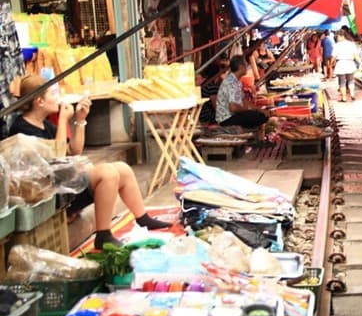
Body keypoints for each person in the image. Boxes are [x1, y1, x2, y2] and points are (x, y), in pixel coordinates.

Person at [10, 74, 172, 249]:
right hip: (50, 193)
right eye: (53, 94)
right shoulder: (22, 128)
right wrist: (64, 120)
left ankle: (143, 219)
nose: (58, 98)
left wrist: (80, 119)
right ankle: (103, 235)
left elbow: (74, 151)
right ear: (39, 101)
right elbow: (55, 158)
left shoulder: (45, 124)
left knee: (122, 169)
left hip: (64, 183)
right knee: (107, 174)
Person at [216, 55, 269, 131]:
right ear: (241, 67)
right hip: (226, 119)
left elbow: (244, 100)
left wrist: (258, 109)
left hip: (234, 115)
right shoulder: (231, 82)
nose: (247, 67)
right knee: (257, 116)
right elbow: (233, 108)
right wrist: (249, 109)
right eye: (245, 65)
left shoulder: (237, 81)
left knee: (262, 115)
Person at [197, 53, 229, 124]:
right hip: (207, 118)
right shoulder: (211, 87)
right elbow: (217, 108)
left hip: (201, 116)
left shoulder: (205, 84)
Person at [332, 29, 362, 102]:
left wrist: (331, 63)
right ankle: (352, 94)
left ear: (341, 36)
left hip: (341, 64)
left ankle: (344, 98)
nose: (337, 38)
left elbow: (333, 56)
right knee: (351, 80)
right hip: (350, 63)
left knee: (342, 82)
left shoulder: (337, 45)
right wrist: (360, 62)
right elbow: (355, 55)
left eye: (337, 37)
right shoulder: (351, 44)